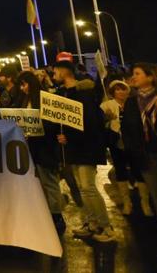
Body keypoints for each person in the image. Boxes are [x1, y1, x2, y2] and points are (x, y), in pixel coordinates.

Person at [52, 60, 113, 242]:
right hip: (73, 148)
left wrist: (70, 137)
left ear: (64, 72)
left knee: (88, 188)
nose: (53, 75)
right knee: (81, 187)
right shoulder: (63, 93)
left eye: (55, 71)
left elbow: (89, 124)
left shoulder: (84, 94)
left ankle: (106, 226)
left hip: (86, 148)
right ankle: (91, 223)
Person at [15, 71, 67, 233]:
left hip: (45, 147)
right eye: (21, 85)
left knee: (49, 182)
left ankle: (57, 216)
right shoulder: (25, 100)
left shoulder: (45, 100)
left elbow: (53, 124)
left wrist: (37, 126)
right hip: (32, 147)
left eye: (24, 84)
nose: (22, 88)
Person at [122, 62, 157, 235]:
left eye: (137, 73)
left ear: (151, 77)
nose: (133, 77)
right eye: (133, 73)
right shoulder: (132, 102)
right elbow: (128, 131)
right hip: (148, 157)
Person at [102, 79, 141, 215]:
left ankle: (145, 202)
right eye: (117, 89)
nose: (121, 92)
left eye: (123, 89)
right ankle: (126, 203)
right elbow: (100, 123)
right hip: (116, 141)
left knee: (137, 168)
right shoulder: (107, 105)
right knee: (120, 169)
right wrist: (106, 118)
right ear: (113, 92)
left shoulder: (133, 103)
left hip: (134, 141)